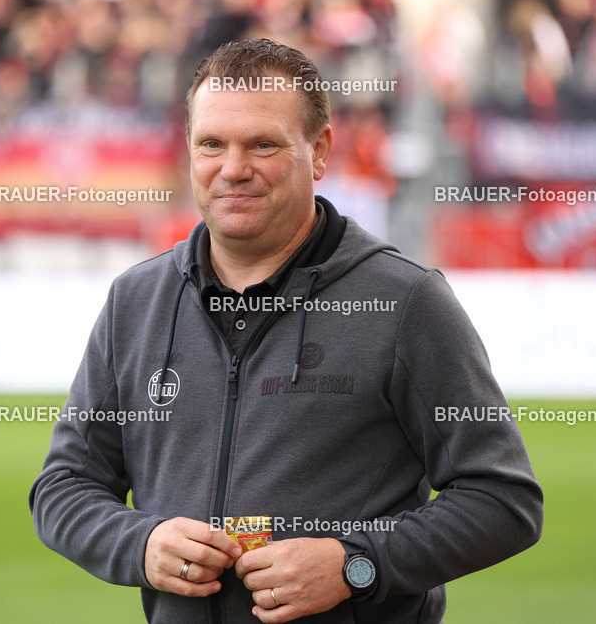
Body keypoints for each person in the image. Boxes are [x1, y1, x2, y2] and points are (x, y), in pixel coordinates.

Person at [30, 38, 543, 623]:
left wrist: (356, 564)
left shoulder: (406, 301)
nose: (233, 169)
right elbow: (64, 487)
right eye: (211, 145)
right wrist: (140, 545)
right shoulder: (136, 300)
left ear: (319, 152)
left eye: (263, 145)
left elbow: (504, 500)